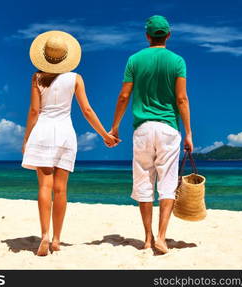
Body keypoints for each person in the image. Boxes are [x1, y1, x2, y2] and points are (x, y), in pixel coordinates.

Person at [22, 30, 119, 256]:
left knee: (44, 186)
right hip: (65, 134)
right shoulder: (75, 78)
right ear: (66, 56)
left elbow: (35, 111)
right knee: (61, 189)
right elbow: (86, 110)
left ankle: (44, 234)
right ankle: (56, 240)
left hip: (43, 132)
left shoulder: (37, 78)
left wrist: (26, 138)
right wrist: (105, 135)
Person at [109, 15, 193, 254]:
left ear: (147, 36)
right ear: (168, 35)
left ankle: (147, 238)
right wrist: (188, 132)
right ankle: (163, 238)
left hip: (143, 129)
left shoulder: (134, 60)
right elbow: (181, 98)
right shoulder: (177, 61)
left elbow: (124, 96)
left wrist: (114, 127)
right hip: (168, 128)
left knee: (144, 181)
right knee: (167, 183)